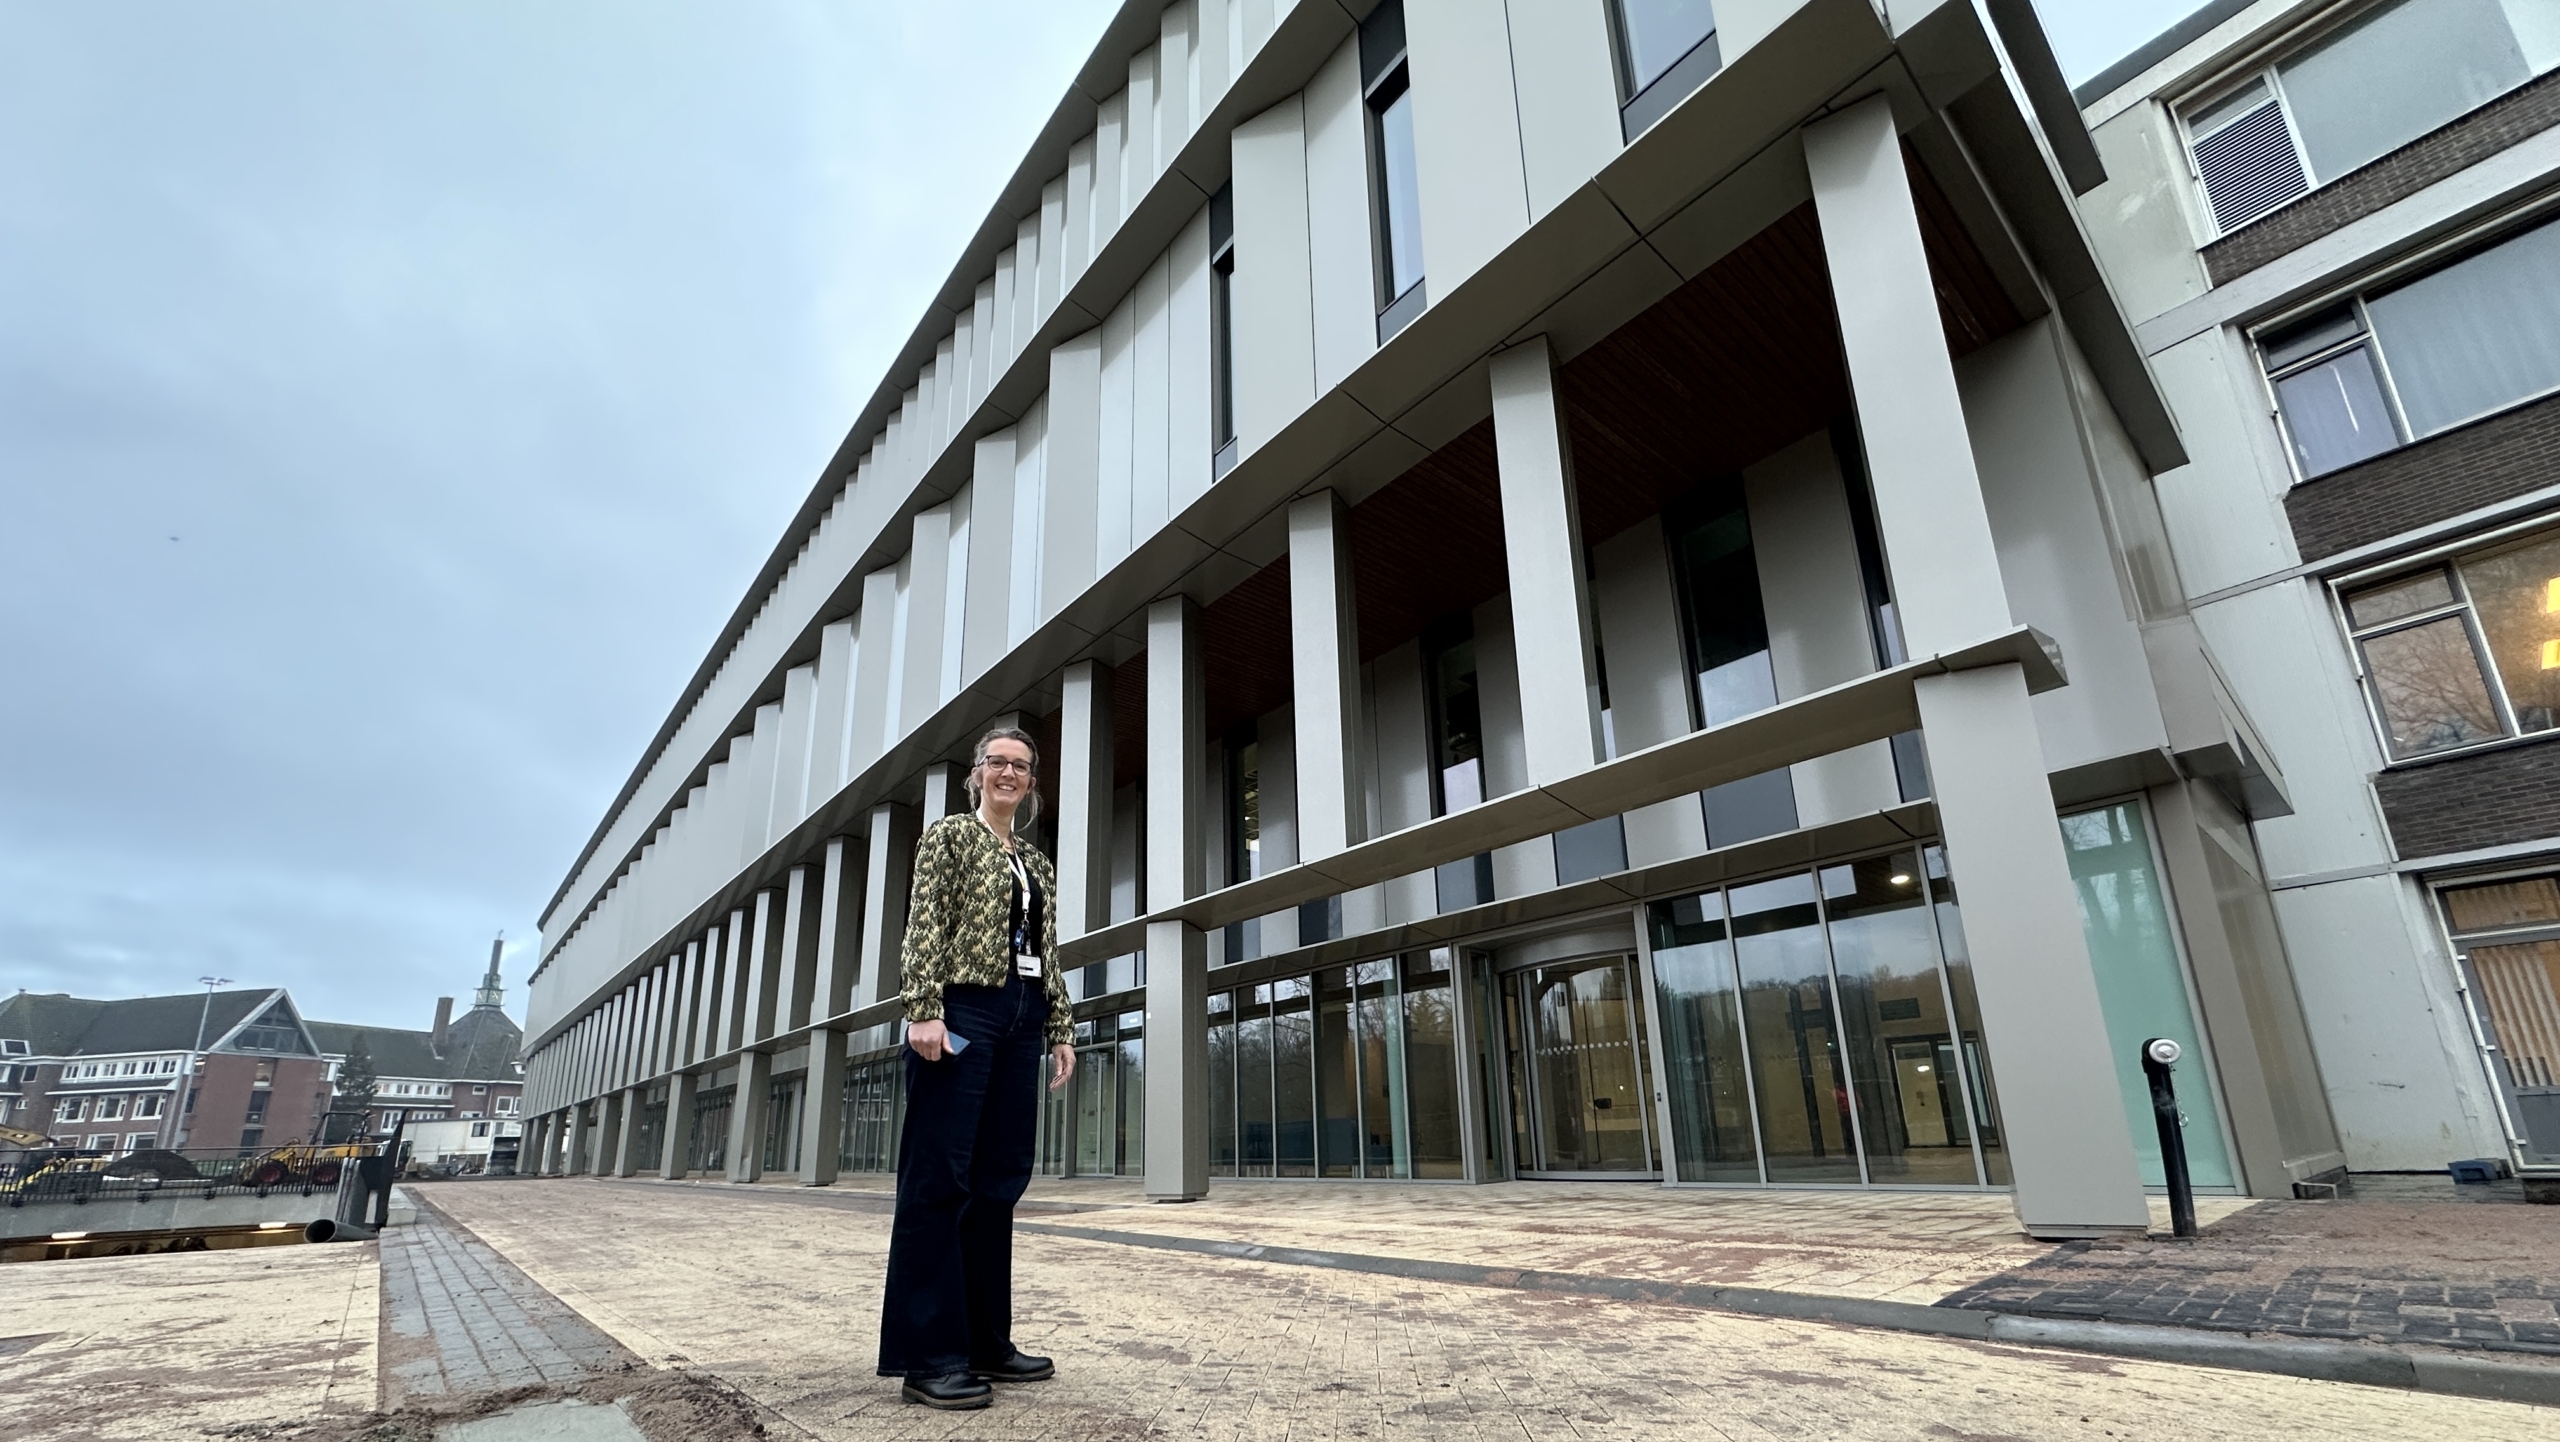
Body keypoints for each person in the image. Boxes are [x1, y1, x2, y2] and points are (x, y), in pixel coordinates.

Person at [875, 726, 1078, 1410]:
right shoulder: (951, 837)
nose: (1009, 773)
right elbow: (925, 920)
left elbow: (1048, 951)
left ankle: (987, 1342)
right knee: (940, 1182)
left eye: (1020, 766)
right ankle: (929, 1359)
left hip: (1022, 1017)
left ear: (1032, 782)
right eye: (997, 762)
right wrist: (924, 1006)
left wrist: (1059, 1026)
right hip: (962, 1012)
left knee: (998, 1185)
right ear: (976, 772)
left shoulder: (1038, 864)